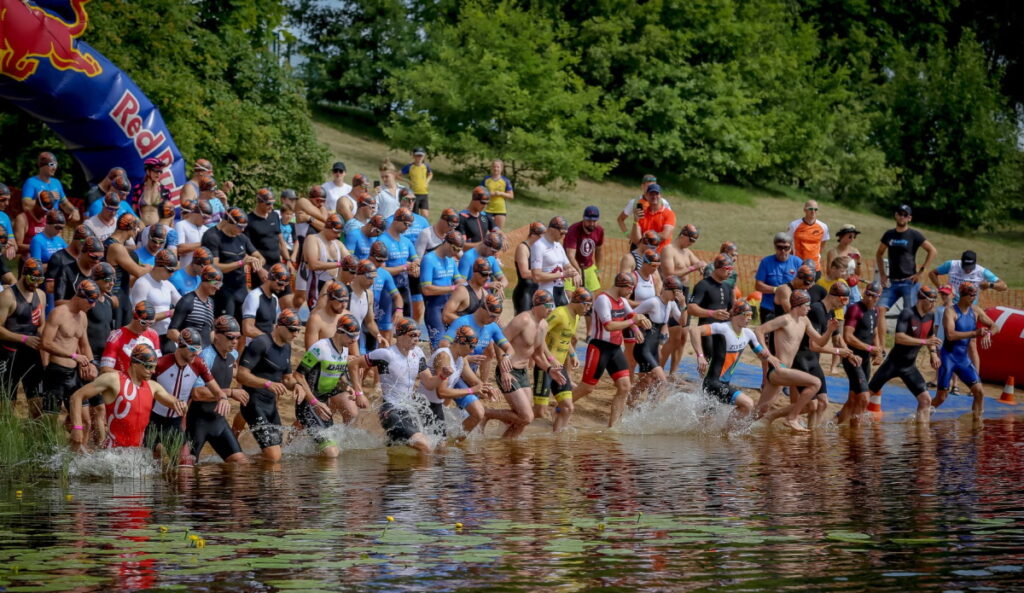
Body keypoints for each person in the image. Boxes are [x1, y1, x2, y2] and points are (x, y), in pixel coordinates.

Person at [68, 344, 186, 450]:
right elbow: (76, 397)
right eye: (149, 366)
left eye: (154, 367)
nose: (153, 371)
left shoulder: (152, 386)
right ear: (135, 364)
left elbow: (170, 399)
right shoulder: (113, 379)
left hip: (135, 454)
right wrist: (77, 427)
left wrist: (181, 404)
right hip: (112, 453)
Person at [571, 273, 651, 429]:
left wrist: (637, 325)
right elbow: (609, 326)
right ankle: (560, 407)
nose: (631, 292)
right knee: (587, 388)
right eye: (630, 289)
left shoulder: (622, 300)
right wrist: (633, 321)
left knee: (625, 387)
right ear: (622, 285)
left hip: (615, 349)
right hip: (599, 348)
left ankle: (612, 427)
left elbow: (632, 316)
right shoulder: (603, 300)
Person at [350, 318, 439, 452]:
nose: (416, 339)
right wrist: (359, 393)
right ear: (400, 335)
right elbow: (354, 364)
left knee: (398, 451)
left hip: (408, 409)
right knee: (424, 445)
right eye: (412, 335)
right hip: (390, 410)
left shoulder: (418, 353)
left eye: (418, 335)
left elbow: (429, 383)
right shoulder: (386, 354)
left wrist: (442, 376)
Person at [752, 290, 831, 432]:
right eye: (807, 305)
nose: (809, 308)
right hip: (778, 369)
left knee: (761, 410)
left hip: (785, 371)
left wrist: (830, 330)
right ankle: (791, 418)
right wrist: (767, 354)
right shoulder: (785, 319)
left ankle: (732, 428)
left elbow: (820, 341)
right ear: (798, 305)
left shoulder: (804, 321)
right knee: (815, 383)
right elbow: (759, 330)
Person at [235, 309, 308, 461]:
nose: (296, 334)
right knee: (274, 457)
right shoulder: (261, 343)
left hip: (270, 405)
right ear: (279, 326)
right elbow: (241, 375)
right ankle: (238, 460)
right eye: (292, 330)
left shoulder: (287, 347)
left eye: (298, 330)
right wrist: (267, 384)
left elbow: (287, 378)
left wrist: (297, 386)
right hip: (253, 402)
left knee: (277, 452)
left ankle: (241, 463)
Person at [146, 328, 227, 465]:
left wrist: (223, 398)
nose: (196, 353)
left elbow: (216, 390)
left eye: (198, 349)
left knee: (185, 467)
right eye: (192, 349)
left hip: (175, 422)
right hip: (153, 420)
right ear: (180, 345)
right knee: (153, 463)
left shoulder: (199, 364)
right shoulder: (161, 364)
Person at [690, 301, 777, 427]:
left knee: (705, 426)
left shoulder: (748, 334)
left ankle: (724, 434)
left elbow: (762, 354)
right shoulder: (722, 328)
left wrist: (770, 358)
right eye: (747, 315)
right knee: (747, 404)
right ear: (736, 315)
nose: (750, 319)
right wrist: (700, 356)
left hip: (724, 383)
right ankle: (727, 433)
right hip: (713, 383)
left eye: (751, 315)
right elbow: (694, 330)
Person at [491, 290, 564, 438]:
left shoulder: (544, 325)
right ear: (537, 305)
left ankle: (508, 445)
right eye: (548, 306)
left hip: (523, 372)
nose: (551, 309)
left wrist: (549, 369)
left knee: (522, 421)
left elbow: (537, 354)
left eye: (553, 306)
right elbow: (498, 342)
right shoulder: (523, 320)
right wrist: (504, 371)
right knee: (527, 416)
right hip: (509, 370)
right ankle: (487, 414)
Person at [439, 294, 515, 429]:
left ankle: (456, 439)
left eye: (497, 317)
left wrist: (506, 357)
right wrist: (464, 358)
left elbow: (509, 348)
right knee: (442, 411)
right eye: (492, 316)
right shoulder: (462, 322)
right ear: (482, 308)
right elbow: (444, 344)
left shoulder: (492, 327)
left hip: (470, 376)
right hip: (455, 374)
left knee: (473, 414)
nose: (494, 320)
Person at [867, 285, 941, 423]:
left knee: (925, 400)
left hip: (909, 367)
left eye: (935, 301)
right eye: (931, 301)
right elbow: (899, 338)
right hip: (892, 365)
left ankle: (921, 433)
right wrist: (924, 341)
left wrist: (933, 354)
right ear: (921, 299)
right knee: (866, 396)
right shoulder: (907, 313)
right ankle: (842, 416)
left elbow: (930, 336)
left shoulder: (931, 316)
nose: (933, 304)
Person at [930, 282, 1000, 420]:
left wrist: (989, 333)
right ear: (963, 295)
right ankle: (921, 415)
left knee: (979, 392)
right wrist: (975, 333)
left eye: (975, 295)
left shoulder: (976, 311)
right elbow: (950, 335)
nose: (973, 298)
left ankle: (977, 423)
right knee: (942, 397)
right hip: (948, 357)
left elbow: (995, 326)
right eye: (971, 295)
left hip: (963, 359)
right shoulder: (950, 312)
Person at [190, 316, 248, 463]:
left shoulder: (232, 354)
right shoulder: (205, 357)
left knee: (240, 464)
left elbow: (229, 371)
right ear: (216, 336)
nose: (235, 341)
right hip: (197, 422)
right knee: (186, 471)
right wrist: (230, 392)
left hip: (218, 421)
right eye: (230, 337)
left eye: (237, 337)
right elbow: (197, 393)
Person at [297, 313, 367, 435]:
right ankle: (288, 443)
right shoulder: (320, 348)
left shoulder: (345, 349)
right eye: (351, 336)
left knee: (352, 414)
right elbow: (298, 375)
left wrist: (346, 387)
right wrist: (314, 402)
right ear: (340, 331)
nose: (354, 340)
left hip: (326, 394)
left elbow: (337, 373)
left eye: (356, 336)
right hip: (311, 399)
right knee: (312, 431)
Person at [420, 325, 496, 435]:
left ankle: (457, 441)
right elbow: (441, 392)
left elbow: (474, 381)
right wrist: (471, 390)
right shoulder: (444, 356)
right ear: (461, 342)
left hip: (437, 406)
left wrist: (488, 389)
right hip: (425, 406)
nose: (472, 351)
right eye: (471, 347)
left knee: (443, 444)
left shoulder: (461, 359)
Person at [535, 287, 592, 431]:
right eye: (586, 305)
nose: (588, 309)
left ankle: (557, 439)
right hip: (545, 365)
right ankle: (510, 421)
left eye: (590, 305)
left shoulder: (577, 316)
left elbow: (565, 337)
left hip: (559, 367)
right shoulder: (559, 313)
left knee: (567, 407)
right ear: (577, 301)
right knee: (540, 412)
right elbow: (539, 334)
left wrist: (572, 354)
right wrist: (550, 358)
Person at [876, 204, 937, 322]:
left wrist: (921, 272)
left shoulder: (914, 235)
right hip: (892, 282)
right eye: (900, 214)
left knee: (909, 315)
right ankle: (881, 335)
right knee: (879, 310)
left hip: (909, 282)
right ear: (896, 215)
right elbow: (879, 253)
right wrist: (882, 274)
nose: (902, 217)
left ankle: (905, 334)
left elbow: (932, 251)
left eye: (905, 215)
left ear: (909, 218)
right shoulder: (889, 234)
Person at [201, 208, 264, 321]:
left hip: (240, 288)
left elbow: (259, 256)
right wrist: (241, 263)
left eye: (244, 227)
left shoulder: (242, 238)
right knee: (225, 325)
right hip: (222, 289)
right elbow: (214, 267)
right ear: (229, 222)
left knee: (243, 324)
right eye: (239, 226)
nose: (243, 230)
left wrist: (257, 262)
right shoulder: (214, 237)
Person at [836, 281, 883, 427]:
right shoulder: (855, 309)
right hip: (852, 358)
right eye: (868, 294)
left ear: (878, 297)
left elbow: (874, 332)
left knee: (853, 398)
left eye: (874, 296)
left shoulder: (875, 310)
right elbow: (848, 336)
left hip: (865, 360)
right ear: (864, 292)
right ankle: (856, 432)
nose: (870, 298)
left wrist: (878, 351)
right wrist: (869, 348)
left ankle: (836, 427)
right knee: (864, 398)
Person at [631, 274, 684, 402]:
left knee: (648, 381)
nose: (676, 296)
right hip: (643, 348)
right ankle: (652, 408)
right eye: (675, 292)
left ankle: (629, 402)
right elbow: (631, 315)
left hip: (653, 349)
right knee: (662, 380)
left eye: (678, 293)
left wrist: (683, 305)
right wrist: (636, 330)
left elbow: (682, 322)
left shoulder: (671, 304)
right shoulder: (653, 302)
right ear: (666, 289)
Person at [0, 259, 46, 406]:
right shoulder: (7, 296)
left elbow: (41, 324)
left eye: (40, 280)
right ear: (23, 274)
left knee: (36, 400)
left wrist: (42, 337)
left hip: (31, 353)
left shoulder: (41, 295)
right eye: (33, 279)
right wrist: (24, 339)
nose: (36, 284)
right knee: (7, 402)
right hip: (9, 353)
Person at [660, 224, 704, 372]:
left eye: (694, 241)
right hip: (672, 292)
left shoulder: (687, 252)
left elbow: (699, 263)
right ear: (683, 235)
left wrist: (703, 266)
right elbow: (669, 274)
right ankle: (658, 371)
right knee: (674, 336)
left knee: (683, 336)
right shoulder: (668, 250)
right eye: (690, 240)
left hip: (684, 292)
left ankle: (673, 373)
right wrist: (693, 268)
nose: (692, 243)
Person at [83, 264, 118, 443]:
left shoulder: (109, 302)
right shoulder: (89, 302)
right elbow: (80, 332)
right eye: (108, 279)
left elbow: (110, 330)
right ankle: (98, 448)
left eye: (114, 280)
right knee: (98, 408)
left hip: (104, 360)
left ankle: (96, 446)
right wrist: (86, 360)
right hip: (90, 359)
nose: (111, 283)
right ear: (96, 279)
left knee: (100, 408)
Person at [130, 249, 181, 353]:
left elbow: (183, 304)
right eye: (170, 270)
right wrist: (169, 313)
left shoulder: (167, 285)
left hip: (167, 336)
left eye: (174, 271)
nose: (172, 274)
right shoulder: (143, 283)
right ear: (159, 266)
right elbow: (139, 316)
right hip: (147, 336)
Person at [420, 231, 465, 348]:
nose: (456, 253)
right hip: (434, 309)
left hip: (449, 308)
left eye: (459, 250)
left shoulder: (450, 260)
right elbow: (426, 289)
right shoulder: (428, 259)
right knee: (440, 347)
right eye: (455, 249)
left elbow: (459, 280)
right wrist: (452, 288)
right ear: (447, 243)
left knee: (454, 346)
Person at [374, 208, 420, 319]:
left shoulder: (406, 241)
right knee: (388, 325)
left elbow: (416, 260)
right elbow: (381, 270)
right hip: (387, 289)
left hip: (404, 289)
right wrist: (405, 267)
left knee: (406, 323)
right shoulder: (382, 241)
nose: (407, 228)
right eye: (406, 224)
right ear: (396, 220)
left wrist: (415, 268)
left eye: (410, 225)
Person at [688, 254, 736, 357]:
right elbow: (691, 308)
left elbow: (731, 310)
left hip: (724, 332)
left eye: (731, 269)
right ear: (717, 268)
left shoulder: (727, 287)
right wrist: (712, 313)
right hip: (707, 331)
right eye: (727, 268)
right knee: (709, 361)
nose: (730, 272)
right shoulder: (703, 285)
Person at [104, 213, 149, 325]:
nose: (137, 231)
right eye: (137, 228)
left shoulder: (109, 243)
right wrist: (152, 267)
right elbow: (138, 272)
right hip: (115, 297)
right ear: (131, 228)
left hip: (120, 296)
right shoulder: (116, 248)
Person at [754, 233, 803, 326]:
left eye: (786, 248)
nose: (783, 251)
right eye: (780, 247)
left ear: (791, 248)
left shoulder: (798, 262)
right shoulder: (766, 262)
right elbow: (758, 285)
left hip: (790, 308)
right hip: (769, 308)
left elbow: (803, 284)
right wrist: (777, 290)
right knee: (767, 334)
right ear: (775, 247)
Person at [167, 265, 221, 348]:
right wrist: (191, 348)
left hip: (205, 353)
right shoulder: (187, 300)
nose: (217, 288)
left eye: (220, 284)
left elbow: (210, 332)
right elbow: (171, 332)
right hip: (190, 353)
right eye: (215, 283)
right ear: (205, 280)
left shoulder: (211, 303)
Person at [100, 301, 161, 373]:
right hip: (123, 378)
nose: (146, 327)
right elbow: (105, 369)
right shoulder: (116, 337)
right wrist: (128, 377)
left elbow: (158, 365)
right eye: (143, 323)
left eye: (150, 323)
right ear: (135, 317)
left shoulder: (153, 334)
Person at [529, 216, 577, 306]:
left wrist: (575, 273)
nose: (564, 236)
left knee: (567, 315)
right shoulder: (538, 246)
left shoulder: (558, 245)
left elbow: (567, 265)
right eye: (562, 233)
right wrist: (562, 274)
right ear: (552, 229)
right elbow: (536, 276)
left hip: (560, 292)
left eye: (565, 233)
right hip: (546, 293)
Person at [22, 152, 80, 223]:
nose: (54, 168)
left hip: (54, 223)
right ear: (42, 165)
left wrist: (74, 210)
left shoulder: (56, 182)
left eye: (56, 165)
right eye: (52, 164)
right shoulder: (31, 182)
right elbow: (26, 205)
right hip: (38, 222)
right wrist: (46, 197)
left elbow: (64, 204)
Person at [52, 235, 104, 306]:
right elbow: (58, 302)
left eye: (100, 258)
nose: (97, 261)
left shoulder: (99, 272)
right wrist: (82, 302)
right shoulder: (66, 270)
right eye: (93, 257)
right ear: (82, 252)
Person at [564, 206, 605, 293]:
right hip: (570, 266)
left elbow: (599, 250)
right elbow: (570, 255)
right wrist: (578, 272)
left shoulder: (599, 230)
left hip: (588, 266)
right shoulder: (573, 230)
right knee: (569, 294)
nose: (592, 224)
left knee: (591, 296)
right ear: (583, 218)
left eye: (594, 221)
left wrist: (598, 270)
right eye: (589, 221)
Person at [246, 188, 289, 268]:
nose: (271, 207)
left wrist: (288, 260)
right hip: (260, 266)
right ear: (259, 202)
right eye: (268, 204)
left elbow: (281, 241)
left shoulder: (274, 215)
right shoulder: (249, 220)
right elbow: (247, 246)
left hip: (277, 264)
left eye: (273, 203)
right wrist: (259, 269)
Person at [443, 259, 494, 326]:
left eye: (490, 274)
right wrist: (470, 325)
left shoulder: (485, 294)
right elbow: (446, 316)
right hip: (458, 331)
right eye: (484, 274)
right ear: (474, 273)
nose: (488, 278)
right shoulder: (462, 291)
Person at [628, 183, 675, 251]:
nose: (654, 196)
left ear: (661, 196)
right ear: (646, 196)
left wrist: (645, 238)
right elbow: (636, 240)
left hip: (661, 254)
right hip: (644, 253)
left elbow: (665, 235)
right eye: (651, 194)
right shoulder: (642, 214)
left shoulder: (669, 214)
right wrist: (635, 221)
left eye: (657, 194)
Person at [303, 281, 349, 350]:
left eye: (346, 301)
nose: (344, 305)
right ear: (330, 299)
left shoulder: (347, 316)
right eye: (341, 301)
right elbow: (310, 353)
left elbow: (354, 352)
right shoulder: (316, 320)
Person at [787, 200, 830, 271]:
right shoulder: (794, 225)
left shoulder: (823, 227)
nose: (813, 211)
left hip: (815, 267)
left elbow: (822, 244)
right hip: (797, 266)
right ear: (804, 210)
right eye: (810, 209)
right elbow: (788, 243)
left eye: (815, 209)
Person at [512, 222, 545, 314]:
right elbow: (524, 273)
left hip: (538, 291)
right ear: (533, 235)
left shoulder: (539, 249)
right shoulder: (523, 248)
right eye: (542, 237)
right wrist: (546, 273)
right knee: (523, 320)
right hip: (525, 293)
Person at [826, 224, 863, 300]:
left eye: (854, 237)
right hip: (838, 285)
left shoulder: (855, 251)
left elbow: (858, 274)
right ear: (841, 236)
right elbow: (829, 272)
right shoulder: (833, 252)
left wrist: (858, 261)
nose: (852, 239)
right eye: (850, 237)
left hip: (852, 286)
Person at [130, 157, 170, 227]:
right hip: (141, 227)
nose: (158, 174)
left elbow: (169, 213)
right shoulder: (138, 188)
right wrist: (138, 223)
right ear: (148, 171)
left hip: (158, 228)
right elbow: (133, 211)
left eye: (160, 171)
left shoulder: (165, 190)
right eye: (155, 171)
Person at [482, 159, 514, 229]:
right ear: (491, 168)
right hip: (487, 209)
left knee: (498, 232)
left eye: (498, 167)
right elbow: (480, 191)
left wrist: (501, 193)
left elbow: (511, 196)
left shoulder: (506, 181)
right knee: (484, 230)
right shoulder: (486, 179)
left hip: (500, 209)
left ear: (501, 169)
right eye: (494, 166)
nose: (495, 168)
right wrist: (489, 193)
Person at [400, 148, 433, 217]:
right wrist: (407, 181)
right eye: (417, 155)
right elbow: (397, 175)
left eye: (421, 156)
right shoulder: (409, 166)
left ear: (424, 156)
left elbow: (430, 174)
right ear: (413, 156)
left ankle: (423, 224)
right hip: (414, 194)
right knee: (415, 214)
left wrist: (427, 182)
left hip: (424, 193)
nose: (419, 157)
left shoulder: (426, 166)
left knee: (425, 214)